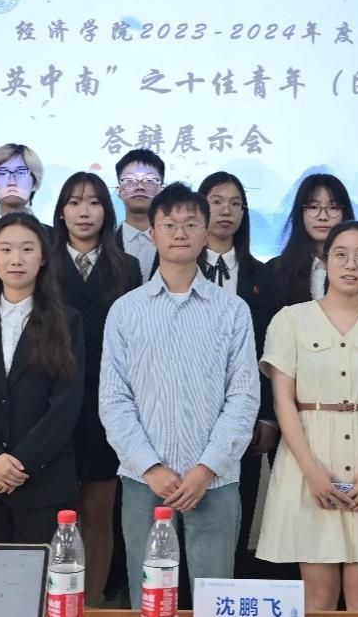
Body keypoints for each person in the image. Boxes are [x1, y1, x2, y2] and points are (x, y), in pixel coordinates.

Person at [100, 183, 259, 595]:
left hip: (214, 481)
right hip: (144, 481)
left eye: (191, 224)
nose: (180, 233)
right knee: (149, 597)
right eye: (169, 224)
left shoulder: (232, 310)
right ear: (153, 233)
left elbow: (243, 397)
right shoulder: (126, 310)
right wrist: (150, 468)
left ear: (206, 233)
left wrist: (206, 469)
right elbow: (114, 400)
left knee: (214, 596)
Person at [256, 220, 358, 610]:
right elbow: (283, 401)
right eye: (341, 255)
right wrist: (311, 471)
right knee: (319, 598)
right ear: (325, 261)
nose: (351, 264)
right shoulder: (290, 320)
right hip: (310, 463)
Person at [0, 213, 86, 544]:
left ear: (43, 258)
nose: (16, 259)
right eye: (6, 249)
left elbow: (66, 402)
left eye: (27, 249)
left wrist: (22, 463)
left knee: (43, 575)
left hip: (44, 483)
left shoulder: (67, 322)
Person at [49, 170, 142, 604]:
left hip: (106, 406)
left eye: (93, 202)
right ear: (61, 211)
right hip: (50, 404)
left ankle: (92, 604)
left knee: (99, 511)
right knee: (55, 512)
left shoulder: (128, 266)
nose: (83, 211)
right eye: (74, 202)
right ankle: (55, 602)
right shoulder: (44, 261)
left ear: (107, 210)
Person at [197, 171, 276, 576]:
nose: (226, 210)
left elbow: (271, 352)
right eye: (216, 201)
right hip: (187, 413)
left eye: (235, 203)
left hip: (245, 415)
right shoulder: (176, 269)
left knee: (237, 510)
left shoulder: (264, 276)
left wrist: (267, 416)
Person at [268, 174, 354, 312]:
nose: (323, 217)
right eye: (313, 207)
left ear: (345, 213)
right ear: (300, 213)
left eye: (333, 207)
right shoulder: (276, 270)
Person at [112, 148, 165, 282]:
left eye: (149, 181)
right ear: (119, 190)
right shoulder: (104, 242)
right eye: (130, 181)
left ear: (161, 190)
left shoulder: (177, 240)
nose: (140, 187)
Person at [0, 143, 47, 236]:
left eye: (21, 172)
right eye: (2, 173)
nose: (11, 181)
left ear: (34, 182)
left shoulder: (55, 238)